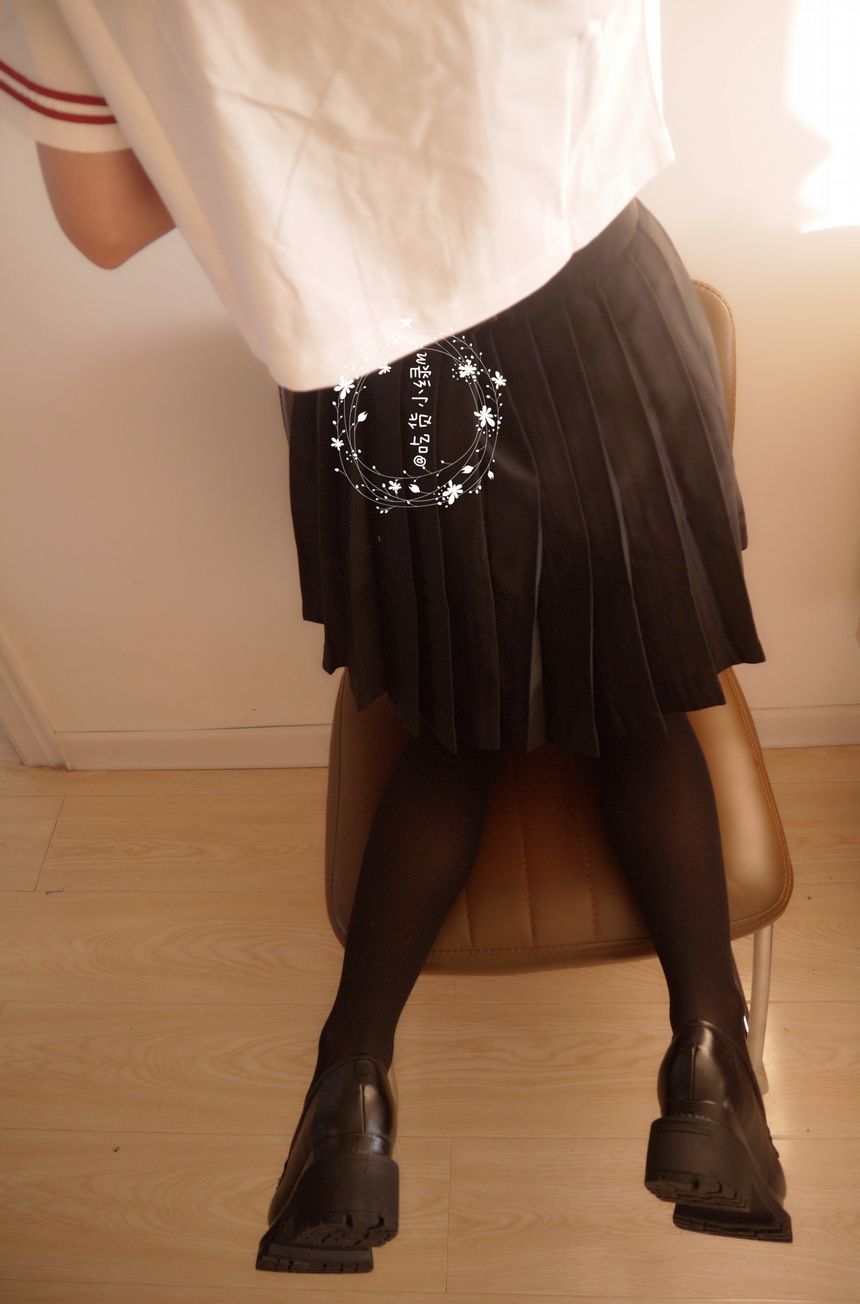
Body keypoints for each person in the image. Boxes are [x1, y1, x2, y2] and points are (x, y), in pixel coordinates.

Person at [0, 0, 792, 1272]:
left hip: (386, 366)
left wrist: (281, 155)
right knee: (642, 698)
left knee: (451, 724)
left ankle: (347, 1095)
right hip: (591, 306)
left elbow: (100, 222)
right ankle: (709, 1067)